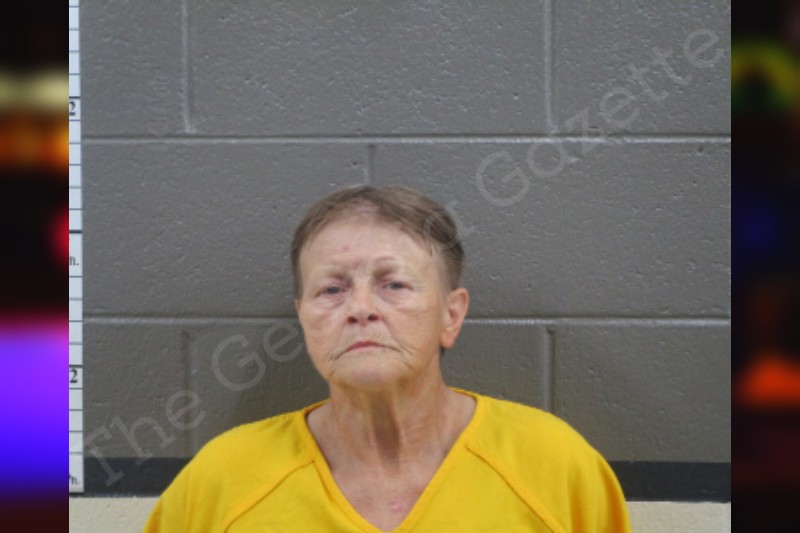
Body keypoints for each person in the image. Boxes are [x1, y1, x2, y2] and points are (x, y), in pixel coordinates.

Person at [143, 185, 631, 532]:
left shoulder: (555, 468)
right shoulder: (223, 480)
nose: (360, 309)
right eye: (331, 289)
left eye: (393, 284)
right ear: (303, 317)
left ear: (451, 315)